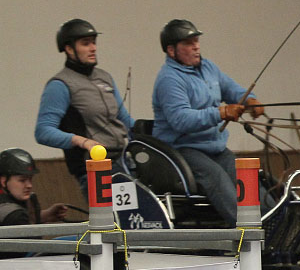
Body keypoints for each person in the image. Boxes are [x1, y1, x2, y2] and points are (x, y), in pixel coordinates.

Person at [151, 19, 264, 226]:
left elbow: (231, 89)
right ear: (171, 50)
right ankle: (249, 232)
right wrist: (220, 113)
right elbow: (181, 120)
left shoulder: (209, 67)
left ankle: (276, 223)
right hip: (183, 148)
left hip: (214, 147)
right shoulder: (169, 79)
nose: (196, 46)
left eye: (196, 41)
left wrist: (250, 100)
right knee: (218, 180)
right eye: (188, 43)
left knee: (248, 180)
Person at [35, 19, 134, 192]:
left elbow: (124, 119)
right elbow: (43, 131)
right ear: (69, 48)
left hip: (123, 160)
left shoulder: (105, 78)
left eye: (94, 43)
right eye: (86, 44)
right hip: (94, 167)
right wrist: (82, 141)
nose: (93, 48)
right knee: (115, 217)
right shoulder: (60, 85)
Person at [0, 148, 67, 226]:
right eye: (22, 180)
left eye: (30, 179)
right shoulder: (15, 215)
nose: (29, 185)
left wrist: (44, 216)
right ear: (3, 181)